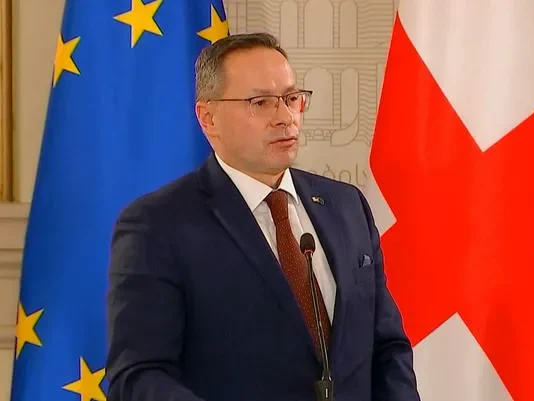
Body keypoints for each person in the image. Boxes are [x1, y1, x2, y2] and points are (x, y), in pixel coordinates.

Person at [105, 32, 421, 401]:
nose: (285, 118)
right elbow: (138, 376)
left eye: (291, 98)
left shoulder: (347, 205)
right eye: (261, 103)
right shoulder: (157, 225)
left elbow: (387, 347)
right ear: (208, 118)